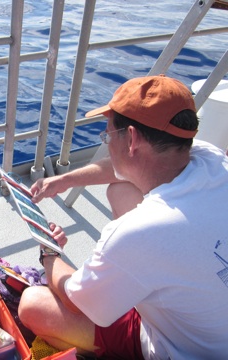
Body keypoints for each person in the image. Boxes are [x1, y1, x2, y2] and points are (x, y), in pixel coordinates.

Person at [18, 75, 228, 359]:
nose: (106, 141)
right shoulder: (211, 159)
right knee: (121, 189)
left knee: (33, 304)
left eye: (107, 135)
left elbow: (75, 300)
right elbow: (119, 169)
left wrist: (49, 255)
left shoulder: (138, 232)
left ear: (131, 139)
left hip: (179, 350)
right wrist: (64, 180)